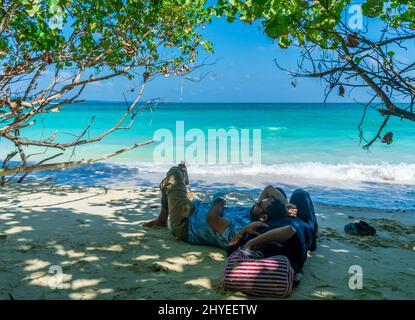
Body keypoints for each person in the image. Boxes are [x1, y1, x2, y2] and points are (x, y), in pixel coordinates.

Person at [143, 164, 272, 248]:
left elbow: (212, 219)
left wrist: (219, 200)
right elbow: (269, 189)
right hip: (195, 209)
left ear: (263, 217)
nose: (256, 202)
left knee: (174, 173)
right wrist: (286, 206)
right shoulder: (252, 213)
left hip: (185, 224)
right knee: (167, 183)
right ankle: (162, 218)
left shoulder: (243, 226)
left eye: (259, 204)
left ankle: (182, 179)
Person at [228, 186, 319, 280]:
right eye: (258, 204)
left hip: (281, 220)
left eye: (258, 204)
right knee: (299, 193)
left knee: (278, 191)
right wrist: (251, 242)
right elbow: (289, 230)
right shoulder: (266, 238)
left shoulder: (255, 229)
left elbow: (230, 247)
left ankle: (280, 205)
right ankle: (316, 231)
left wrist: (243, 231)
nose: (256, 203)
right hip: (300, 222)